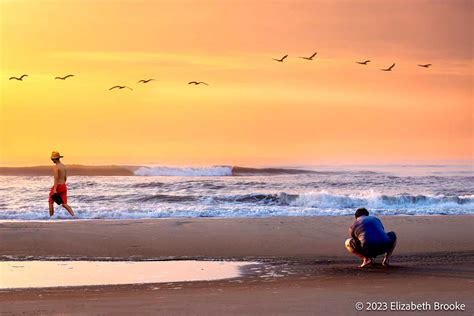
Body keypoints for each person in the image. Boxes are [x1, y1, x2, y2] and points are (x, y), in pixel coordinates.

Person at [48, 151, 76, 218]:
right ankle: (74, 216)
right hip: (64, 186)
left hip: (58, 186)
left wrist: (55, 189)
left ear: (54, 159)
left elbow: (56, 178)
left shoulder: (55, 167)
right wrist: (62, 185)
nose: (52, 161)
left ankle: (51, 217)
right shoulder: (63, 166)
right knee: (64, 204)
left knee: (50, 202)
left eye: (52, 159)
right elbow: (65, 178)